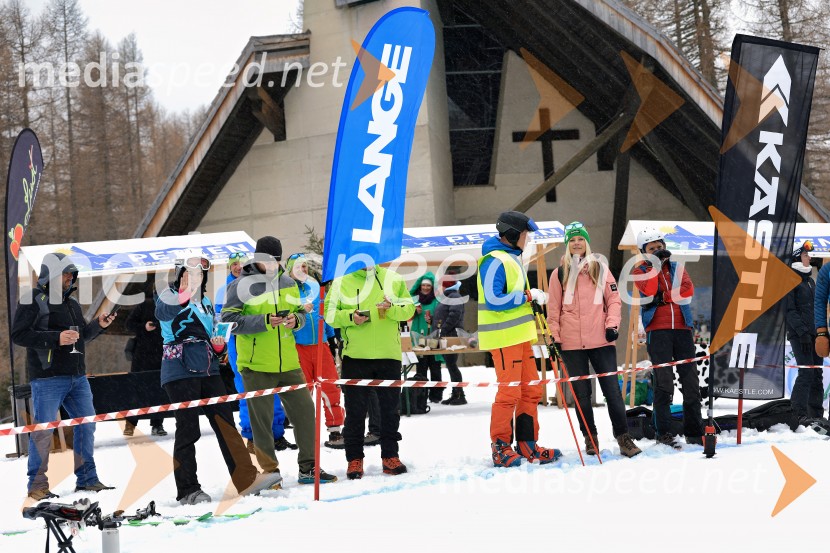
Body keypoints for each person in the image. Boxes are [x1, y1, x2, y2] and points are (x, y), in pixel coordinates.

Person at [156, 249, 282, 504]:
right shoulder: (168, 295)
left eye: (200, 273)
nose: (196, 277)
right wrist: (183, 293)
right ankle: (188, 489)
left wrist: (218, 346)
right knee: (188, 429)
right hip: (179, 370)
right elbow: (163, 315)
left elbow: (216, 334)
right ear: (181, 273)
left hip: (208, 367)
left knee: (226, 424)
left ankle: (246, 479)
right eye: (190, 272)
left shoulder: (205, 302)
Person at [221, 237, 337, 484]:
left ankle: (309, 468)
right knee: (261, 425)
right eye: (266, 260)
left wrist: (297, 320)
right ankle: (270, 473)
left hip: (289, 363)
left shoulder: (288, 282)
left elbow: (300, 316)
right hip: (256, 365)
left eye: (275, 260)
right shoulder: (240, 285)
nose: (271, 265)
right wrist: (263, 321)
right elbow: (228, 322)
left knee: (306, 414)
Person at [12, 253, 116, 500]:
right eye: (65, 274)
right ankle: (37, 486)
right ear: (51, 275)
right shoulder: (32, 299)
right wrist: (54, 339)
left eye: (72, 274)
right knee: (43, 432)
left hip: (78, 378)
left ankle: (87, 479)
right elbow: (19, 335)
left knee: (86, 426)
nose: (70, 278)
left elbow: (81, 337)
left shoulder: (73, 304)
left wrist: (98, 326)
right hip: (47, 378)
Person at [547, 222, 641, 457]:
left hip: (601, 340)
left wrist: (612, 326)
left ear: (586, 243)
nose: (576, 243)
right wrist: (554, 339)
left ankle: (624, 438)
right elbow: (553, 309)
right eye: (572, 240)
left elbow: (614, 300)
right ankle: (590, 439)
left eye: (580, 239)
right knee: (581, 396)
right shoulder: (559, 274)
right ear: (567, 245)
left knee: (612, 392)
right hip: (571, 344)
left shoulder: (599, 268)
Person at [477, 211, 561, 467]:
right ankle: (500, 447)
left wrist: (531, 298)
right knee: (509, 393)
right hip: (504, 339)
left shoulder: (512, 259)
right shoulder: (493, 260)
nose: (528, 240)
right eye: (525, 235)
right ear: (513, 235)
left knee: (531, 390)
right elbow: (494, 299)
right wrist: (527, 296)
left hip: (522, 339)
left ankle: (527, 444)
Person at [325, 263, 415, 479]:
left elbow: (409, 309)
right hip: (355, 356)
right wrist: (350, 317)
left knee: (390, 411)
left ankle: (390, 456)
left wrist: (391, 308)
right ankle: (354, 460)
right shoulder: (341, 282)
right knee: (355, 412)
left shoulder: (393, 278)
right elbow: (329, 315)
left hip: (389, 355)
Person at [215, 253, 297, 453]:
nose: (237, 267)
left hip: (268, 344)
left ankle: (277, 433)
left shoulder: (259, 283)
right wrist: (223, 347)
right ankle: (251, 434)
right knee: (247, 391)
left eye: (241, 264)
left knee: (274, 390)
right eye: (233, 264)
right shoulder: (224, 290)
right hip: (239, 346)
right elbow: (221, 322)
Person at [632, 227, 705, 448]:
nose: (657, 250)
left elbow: (687, 290)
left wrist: (662, 298)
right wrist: (655, 266)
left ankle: (694, 431)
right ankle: (662, 432)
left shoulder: (677, 267)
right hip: (658, 330)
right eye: (651, 248)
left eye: (660, 246)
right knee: (664, 384)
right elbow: (650, 289)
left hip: (683, 328)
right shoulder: (639, 271)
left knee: (691, 383)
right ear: (644, 252)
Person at [285, 253, 346, 449]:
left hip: (321, 346)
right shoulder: (285, 291)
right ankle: (304, 433)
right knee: (303, 393)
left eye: (304, 267)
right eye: (297, 267)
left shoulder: (315, 287)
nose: (301, 271)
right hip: (299, 347)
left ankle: (335, 430)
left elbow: (324, 314)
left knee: (330, 386)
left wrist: (331, 338)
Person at [786, 241, 825, 423]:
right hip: (799, 335)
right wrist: (802, 332)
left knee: (817, 374)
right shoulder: (790, 280)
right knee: (806, 373)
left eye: (809, 255)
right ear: (797, 258)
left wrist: (821, 331)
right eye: (805, 255)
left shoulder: (810, 281)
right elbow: (789, 311)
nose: (809, 258)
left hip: (815, 335)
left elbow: (817, 308)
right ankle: (797, 413)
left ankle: (816, 414)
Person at [123, 294, 166, 436]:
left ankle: (157, 424)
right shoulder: (145, 305)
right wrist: (144, 327)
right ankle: (130, 424)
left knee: (158, 391)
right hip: (141, 357)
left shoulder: (170, 307)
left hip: (161, 356)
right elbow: (128, 325)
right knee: (136, 391)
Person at [409, 272, 444, 403]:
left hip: (434, 337)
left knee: (435, 366)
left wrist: (433, 320)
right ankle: (420, 396)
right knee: (421, 367)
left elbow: (442, 317)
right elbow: (407, 316)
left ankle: (436, 396)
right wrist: (413, 311)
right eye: (423, 285)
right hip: (419, 337)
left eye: (428, 286)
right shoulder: (414, 299)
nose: (425, 288)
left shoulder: (437, 300)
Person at [432, 275, 466, 405]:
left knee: (452, 365)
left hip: (451, 336)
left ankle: (459, 395)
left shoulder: (454, 297)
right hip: (448, 335)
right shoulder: (448, 297)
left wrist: (443, 330)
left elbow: (454, 315)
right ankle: (456, 394)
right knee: (451, 366)